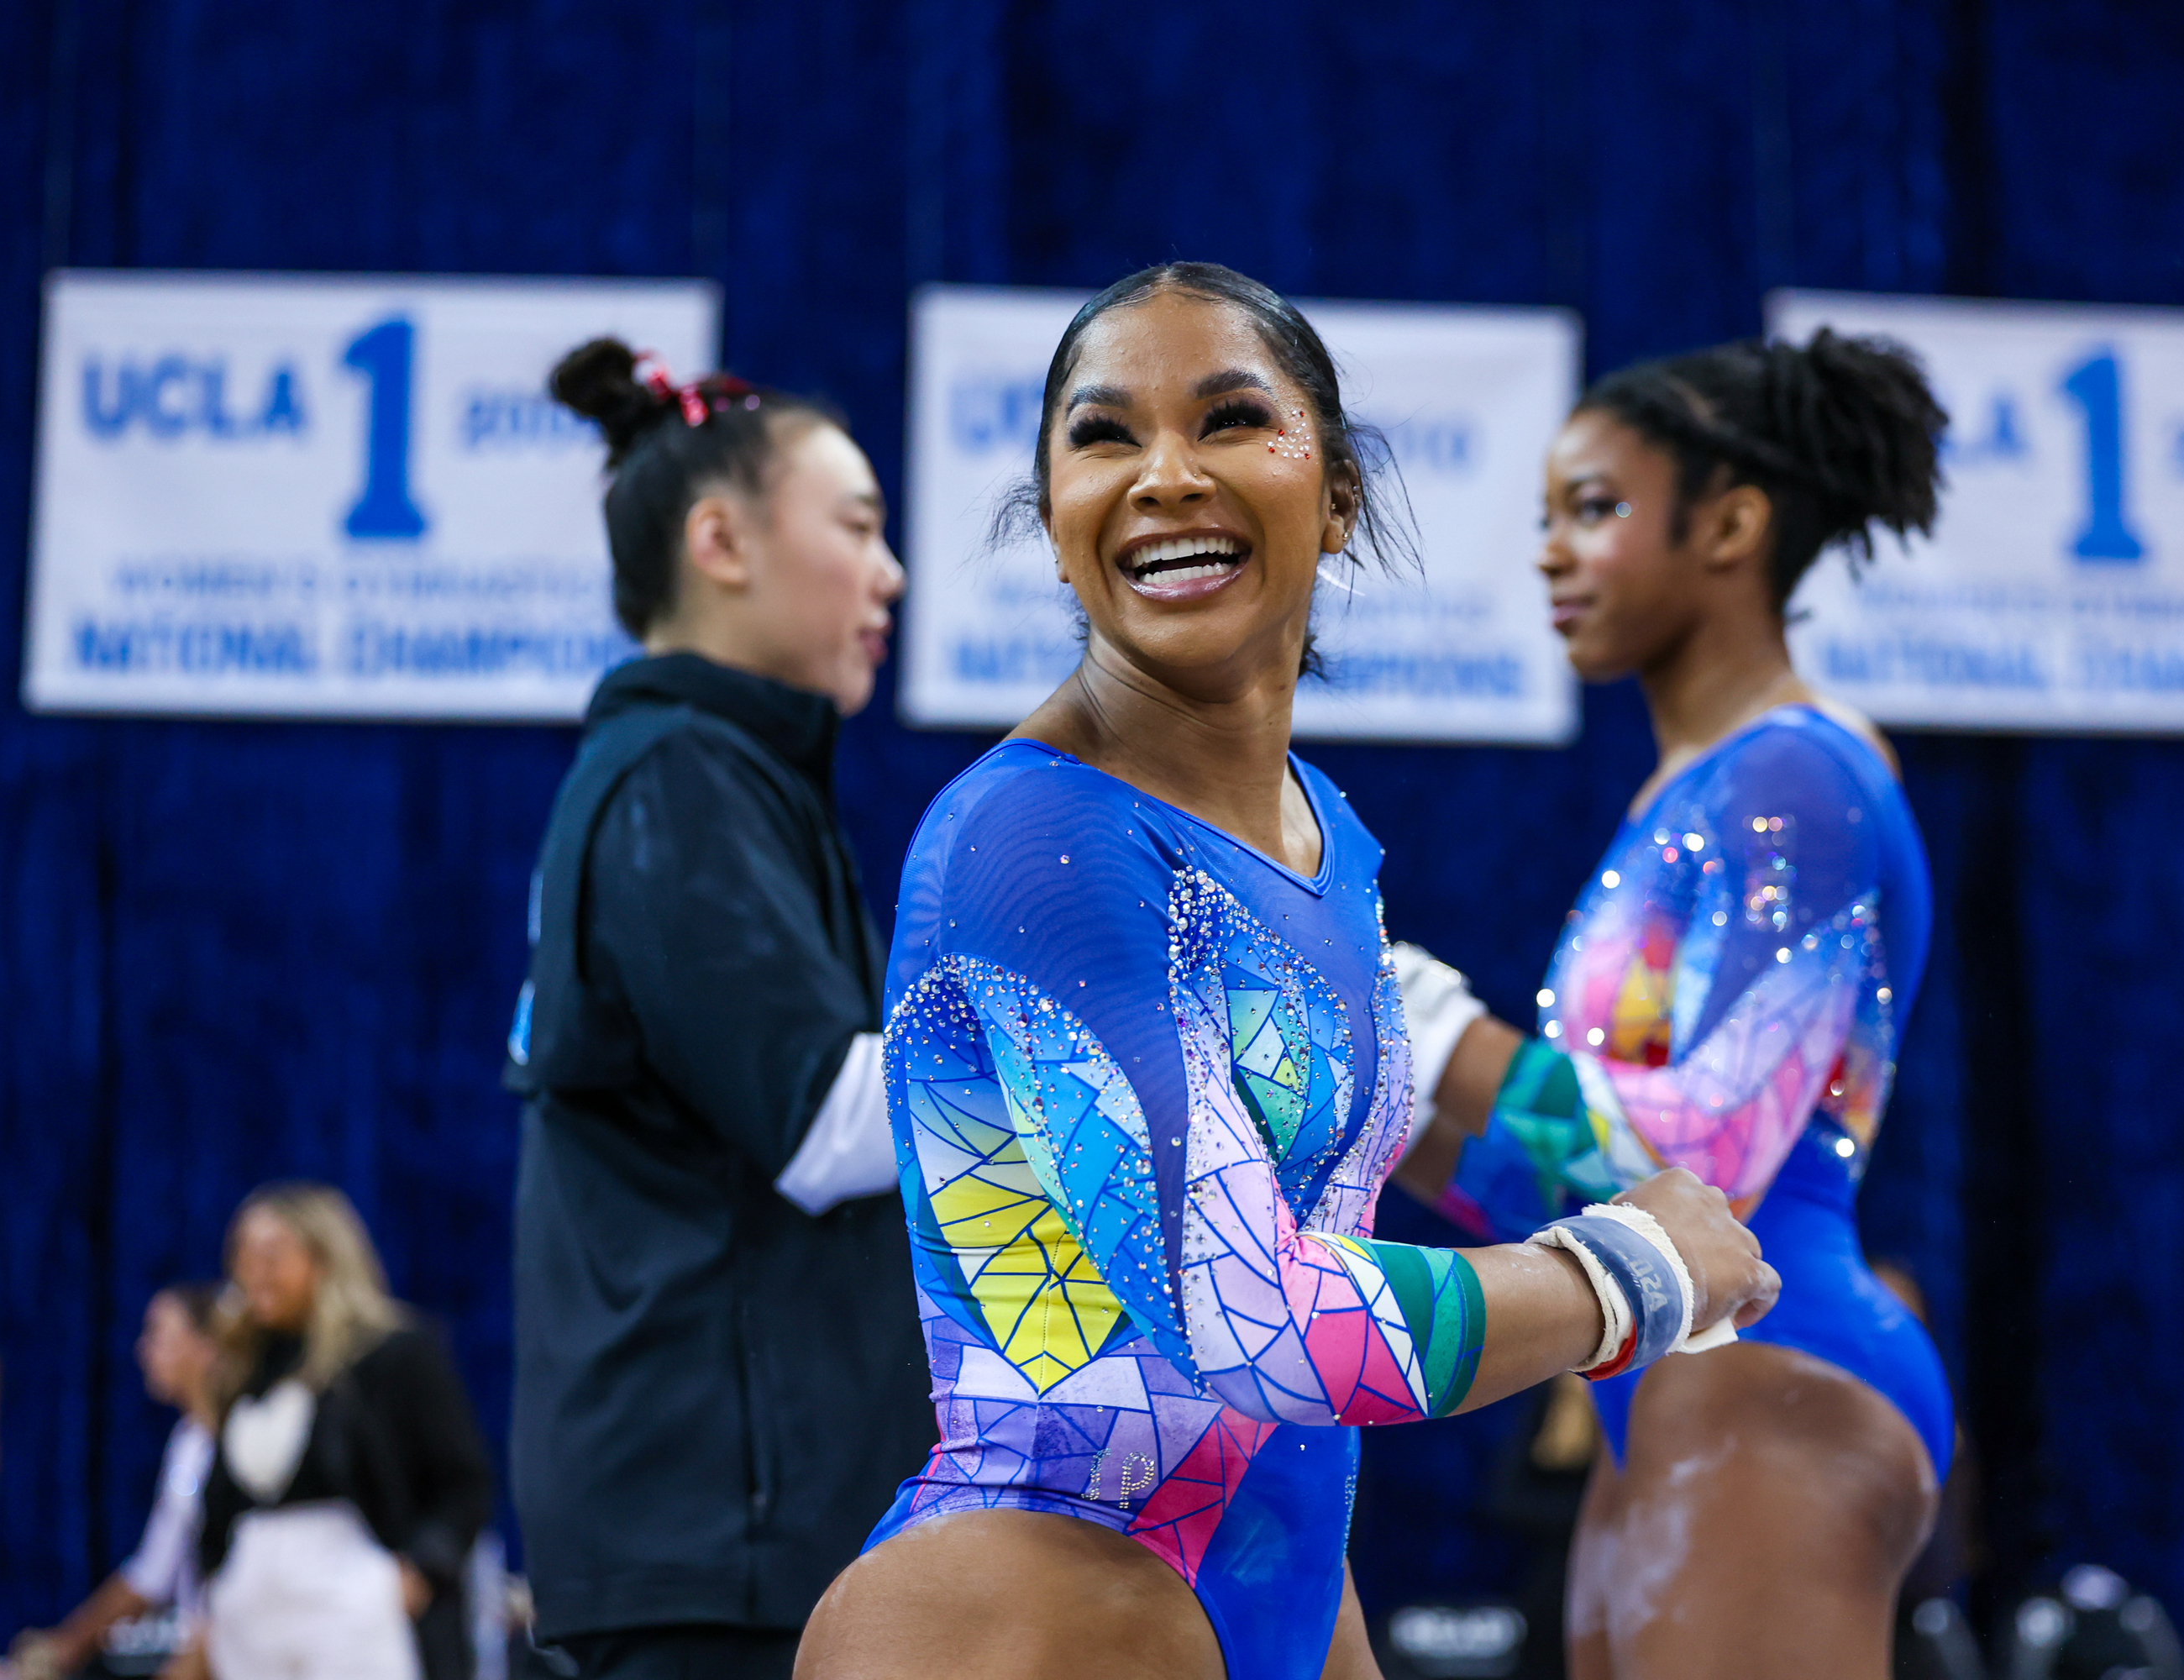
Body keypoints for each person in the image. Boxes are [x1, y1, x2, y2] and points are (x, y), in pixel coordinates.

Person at [795, 262, 1781, 1680]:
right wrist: (1628, 1270)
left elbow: (1343, 1218)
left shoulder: (1334, 840)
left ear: (1338, 499)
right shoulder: (1036, 837)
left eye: (1229, 418)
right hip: (1027, 1610)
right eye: (1104, 435)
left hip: (1268, 1597)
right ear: (1058, 529)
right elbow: (1253, 1323)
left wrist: (1720, 1225)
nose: (1166, 476)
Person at [1389, 329, 1950, 1678]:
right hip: (1678, 1371)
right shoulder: (1685, 795)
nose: (1547, 552)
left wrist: (1417, 1021)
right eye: (1543, 519)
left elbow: (1701, 1161)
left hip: (1782, 1367)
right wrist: (1366, 1101)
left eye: (1595, 510)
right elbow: (1592, 1186)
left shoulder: (1798, 775)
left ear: (1733, 524)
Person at [508, 342, 931, 1680]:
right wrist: (1110, 1030)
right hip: (716, 1553)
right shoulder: (679, 778)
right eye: (858, 527)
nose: (890, 574)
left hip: (736, 1540)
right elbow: (825, 1126)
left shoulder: (725, 773)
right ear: (720, 541)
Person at [197, 1184, 492, 1680]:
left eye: (273, 1255)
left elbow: (465, 1483)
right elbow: (221, 1501)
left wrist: (417, 1574)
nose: (254, 1272)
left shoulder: (394, 1355)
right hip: (255, 1620)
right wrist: (218, 1587)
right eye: (243, 1255)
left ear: (325, 1259)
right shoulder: (243, 1371)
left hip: (359, 1610)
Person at [10, 1284, 222, 1680]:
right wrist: (63, 1646)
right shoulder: (189, 1442)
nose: (143, 1350)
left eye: (158, 1334)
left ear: (206, 1346)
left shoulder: (240, 1440)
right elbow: (151, 1573)